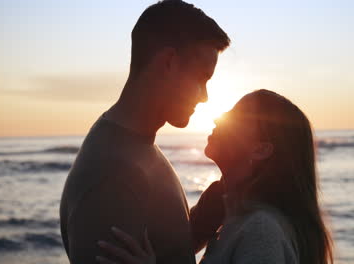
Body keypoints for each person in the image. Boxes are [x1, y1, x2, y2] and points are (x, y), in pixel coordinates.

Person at [59, 1, 230, 263]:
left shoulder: (137, 146)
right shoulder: (112, 175)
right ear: (169, 63)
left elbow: (168, 250)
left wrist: (210, 212)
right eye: (202, 78)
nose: (205, 97)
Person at [96, 90, 334, 264]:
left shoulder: (261, 231)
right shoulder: (231, 215)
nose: (218, 118)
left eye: (237, 116)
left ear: (261, 150)